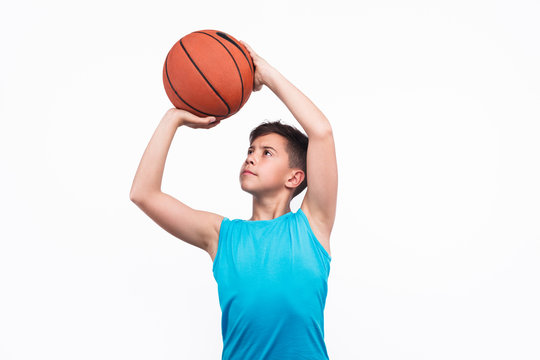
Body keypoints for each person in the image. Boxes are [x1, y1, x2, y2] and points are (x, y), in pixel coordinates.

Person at [129, 40, 338, 360]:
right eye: (250, 151)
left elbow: (321, 132)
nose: (251, 158)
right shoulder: (221, 236)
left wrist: (265, 73)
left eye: (266, 153)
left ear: (294, 177)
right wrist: (172, 118)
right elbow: (143, 193)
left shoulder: (312, 225)